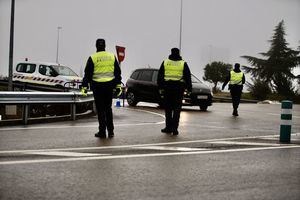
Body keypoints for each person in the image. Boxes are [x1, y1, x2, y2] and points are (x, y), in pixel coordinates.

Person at [81, 38, 122, 138]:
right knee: (108, 109)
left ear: (96, 46)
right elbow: (117, 72)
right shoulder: (111, 56)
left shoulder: (93, 58)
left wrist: (84, 87)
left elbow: (87, 74)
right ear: (105, 46)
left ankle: (102, 132)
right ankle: (111, 131)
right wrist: (118, 86)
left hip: (97, 87)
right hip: (109, 86)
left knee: (100, 110)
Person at [157, 48, 192, 135]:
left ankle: (168, 127)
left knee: (168, 109)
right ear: (179, 53)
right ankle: (175, 128)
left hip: (167, 88)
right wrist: (189, 89)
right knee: (177, 109)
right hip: (178, 89)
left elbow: (160, 76)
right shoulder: (183, 63)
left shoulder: (165, 62)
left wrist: (160, 87)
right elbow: (188, 77)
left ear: (171, 53)